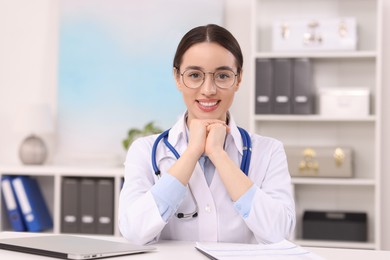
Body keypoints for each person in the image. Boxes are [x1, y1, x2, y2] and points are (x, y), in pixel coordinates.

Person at [118, 24, 295, 245]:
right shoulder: (144, 151)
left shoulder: (269, 151)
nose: (208, 89)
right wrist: (192, 153)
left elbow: (279, 234)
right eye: (194, 75)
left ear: (238, 79)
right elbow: (133, 232)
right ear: (177, 78)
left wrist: (218, 154)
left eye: (222, 75)